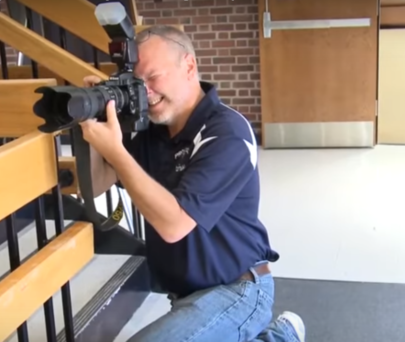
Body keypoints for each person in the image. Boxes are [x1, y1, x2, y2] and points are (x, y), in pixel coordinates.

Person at [78, 25, 306, 342]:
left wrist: (116, 151)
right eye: (137, 82)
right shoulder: (151, 134)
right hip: (185, 296)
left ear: (188, 66)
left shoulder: (228, 132)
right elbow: (99, 183)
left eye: (153, 77)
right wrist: (93, 123)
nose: (146, 92)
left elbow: (175, 224)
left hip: (238, 289)